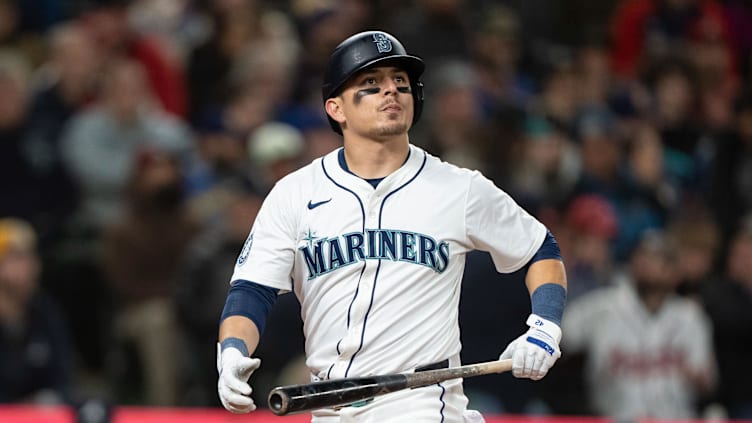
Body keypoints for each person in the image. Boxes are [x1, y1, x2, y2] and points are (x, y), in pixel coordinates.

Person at [216, 30, 568, 422]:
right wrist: (232, 351)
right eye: (371, 84)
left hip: (421, 404)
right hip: (330, 404)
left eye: (400, 82)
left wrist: (544, 326)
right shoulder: (295, 193)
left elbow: (540, 248)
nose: (391, 92)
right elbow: (252, 289)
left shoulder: (459, 187)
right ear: (336, 108)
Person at [560, 229, 717, 421]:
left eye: (660, 260)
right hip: (616, 418)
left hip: (676, 417)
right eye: (644, 256)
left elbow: (707, 382)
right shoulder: (602, 307)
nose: (649, 265)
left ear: (676, 272)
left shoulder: (690, 316)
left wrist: (700, 379)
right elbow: (558, 337)